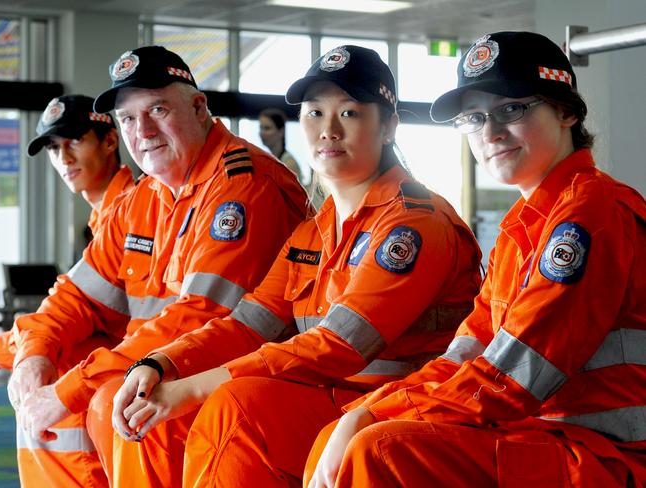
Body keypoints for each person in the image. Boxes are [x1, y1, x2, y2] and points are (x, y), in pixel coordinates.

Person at [110, 45, 483, 488]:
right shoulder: (313, 232)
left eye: (349, 114)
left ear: (388, 127)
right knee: (175, 410)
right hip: (332, 401)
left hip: (394, 410)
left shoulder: (414, 222)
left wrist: (194, 386)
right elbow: (247, 325)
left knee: (236, 405)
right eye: (314, 113)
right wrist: (160, 365)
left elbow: (339, 345)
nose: (328, 130)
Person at [306, 31, 646, 488]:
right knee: (345, 433)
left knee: (379, 447)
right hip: (542, 440)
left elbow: (509, 378)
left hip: (604, 457)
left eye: (511, 109)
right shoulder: (521, 230)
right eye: (474, 117)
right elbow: (464, 356)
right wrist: (366, 411)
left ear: (565, 110)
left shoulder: (591, 214)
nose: (490, 132)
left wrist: (371, 417)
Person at [7, 46, 309, 488]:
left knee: (113, 401)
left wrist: (75, 385)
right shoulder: (145, 198)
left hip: (232, 379)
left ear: (199, 107)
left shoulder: (243, 187)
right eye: (128, 119)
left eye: (158, 109)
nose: (142, 130)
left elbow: (206, 321)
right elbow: (73, 297)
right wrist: (34, 355)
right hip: (158, 369)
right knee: (54, 388)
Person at [0, 94, 134, 371]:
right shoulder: (103, 217)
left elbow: (81, 312)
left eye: (75, 141)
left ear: (109, 141)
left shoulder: (132, 209)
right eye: (53, 148)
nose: (64, 158)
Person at [259, 107, 304, 183]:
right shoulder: (270, 159)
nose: (262, 133)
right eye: (261, 128)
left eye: (267, 128)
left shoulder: (289, 164)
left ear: (281, 131)